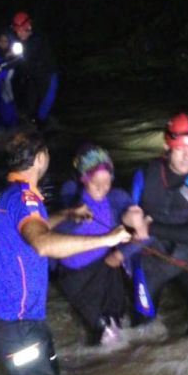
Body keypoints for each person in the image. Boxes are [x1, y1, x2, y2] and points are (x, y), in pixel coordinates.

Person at [0, 130, 132, 375]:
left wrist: (66, 213)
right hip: (14, 321)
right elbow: (42, 244)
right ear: (39, 159)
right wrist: (109, 238)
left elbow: (33, 229)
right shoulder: (25, 198)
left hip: (20, 319)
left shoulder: (11, 194)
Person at [125, 112, 188, 335]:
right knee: (141, 329)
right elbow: (128, 217)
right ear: (168, 146)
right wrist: (128, 219)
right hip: (151, 258)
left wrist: (150, 227)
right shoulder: (145, 175)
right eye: (181, 149)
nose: (187, 156)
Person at [54, 144, 135, 345]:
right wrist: (73, 214)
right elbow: (53, 239)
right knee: (100, 327)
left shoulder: (116, 198)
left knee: (117, 316)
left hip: (104, 265)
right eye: (95, 181)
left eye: (106, 180)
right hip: (76, 275)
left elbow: (141, 231)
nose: (101, 187)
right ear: (83, 179)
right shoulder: (71, 201)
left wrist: (134, 224)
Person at [9, 11, 58, 127]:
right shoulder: (21, 42)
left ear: (27, 27)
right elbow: (18, 62)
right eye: (17, 31)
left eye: (21, 30)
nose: (19, 34)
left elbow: (23, 58)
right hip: (33, 80)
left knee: (42, 113)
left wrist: (7, 64)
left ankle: (46, 131)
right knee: (30, 112)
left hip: (48, 78)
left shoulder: (38, 38)